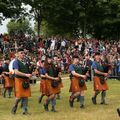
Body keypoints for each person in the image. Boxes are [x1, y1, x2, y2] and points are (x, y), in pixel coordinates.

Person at [11, 48, 32, 115]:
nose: (23, 54)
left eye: (23, 53)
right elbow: (16, 72)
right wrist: (26, 74)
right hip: (19, 80)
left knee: (26, 96)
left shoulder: (25, 62)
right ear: (17, 54)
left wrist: (30, 74)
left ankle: (25, 111)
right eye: (21, 53)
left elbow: (28, 71)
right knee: (19, 96)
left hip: (26, 80)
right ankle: (14, 106)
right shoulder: (16, 62)